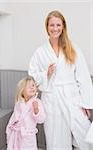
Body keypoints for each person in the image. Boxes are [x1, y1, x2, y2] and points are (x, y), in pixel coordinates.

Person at [28, 10, 93, 150]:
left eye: (58, 25)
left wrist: (86, 104)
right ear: (47, 27)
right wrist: (46, 73)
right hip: (52, 99)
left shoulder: (73, 48)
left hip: (72, 97)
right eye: (52, 25)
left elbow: (83, 76)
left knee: (84, 131)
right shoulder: (40, 52)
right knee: (55, 136)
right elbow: (32, 76)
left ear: (63, 26)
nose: (55, 28)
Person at [6, 75, 45, 150]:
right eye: (28, 86)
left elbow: (41, 120)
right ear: (22, 91)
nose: (32, 87)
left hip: (28, 136)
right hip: (16, 134)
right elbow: (13, 118)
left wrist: (36, 110)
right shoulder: (19, 103)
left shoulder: (37, 102)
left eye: (33, 85)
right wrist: (9, 130)